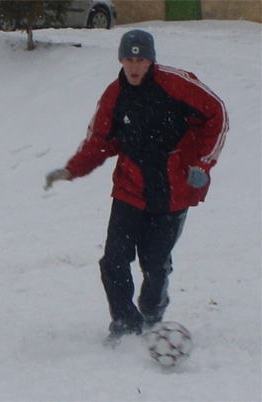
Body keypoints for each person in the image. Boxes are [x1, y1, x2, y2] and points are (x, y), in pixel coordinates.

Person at [44, 30, 228, 347]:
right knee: (114, 260)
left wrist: (202, 163)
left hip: (173, 189)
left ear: (150, 60)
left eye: (140, 59)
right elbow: (99, 142)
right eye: (129, 59)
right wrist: (72, 169)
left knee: (155, 264)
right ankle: (126, 325)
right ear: (120, 59)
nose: (134, 66)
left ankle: (152, 314)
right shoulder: (114, 95)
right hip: (130, 187)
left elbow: (217, 113)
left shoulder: (177, 84)